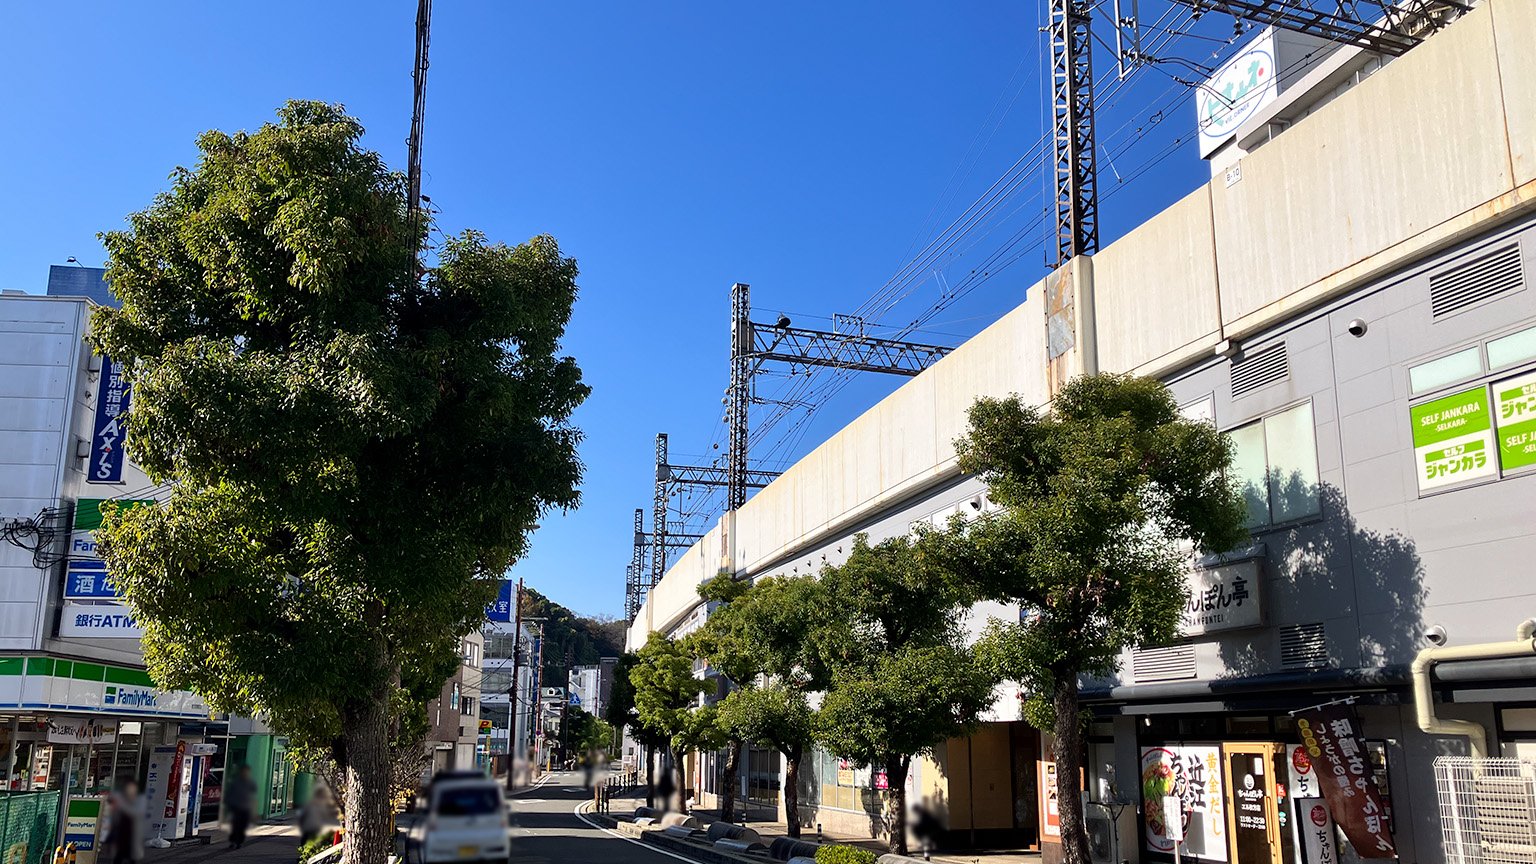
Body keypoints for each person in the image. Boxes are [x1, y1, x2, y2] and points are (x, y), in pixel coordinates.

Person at [104, 781, 145, 864]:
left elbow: (135, 813)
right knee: (119, 854)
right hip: (121, 833)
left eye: (132, 789)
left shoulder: (139, 800)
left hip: (132, 832)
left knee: (130, 854)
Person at [225, 765, 257, 850]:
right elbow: (229, 793)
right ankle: (233, 841)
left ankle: (239, 842)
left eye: (247, 771)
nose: (245, 773)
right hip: (236, 807)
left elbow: (253, 796)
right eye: (244, 771)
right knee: (235, 825)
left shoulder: (250, 783)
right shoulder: (236, 782)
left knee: (243, 826)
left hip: (245, 808)